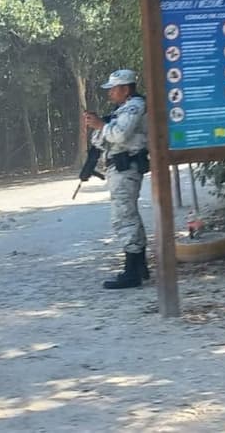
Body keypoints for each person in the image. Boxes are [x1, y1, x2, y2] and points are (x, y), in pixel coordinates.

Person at [82, 69, 150, 290]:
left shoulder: (135, 106)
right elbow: (101, 140)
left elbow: (119, 135)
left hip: (126, 167)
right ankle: (139, 266)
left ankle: (132, 273)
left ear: (126, 89)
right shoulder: (121, 109)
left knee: (123, 218)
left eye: (113, 89)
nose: (110, 93)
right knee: (129, 215)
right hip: (119, 168)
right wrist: (99, 125)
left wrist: (101, 125)